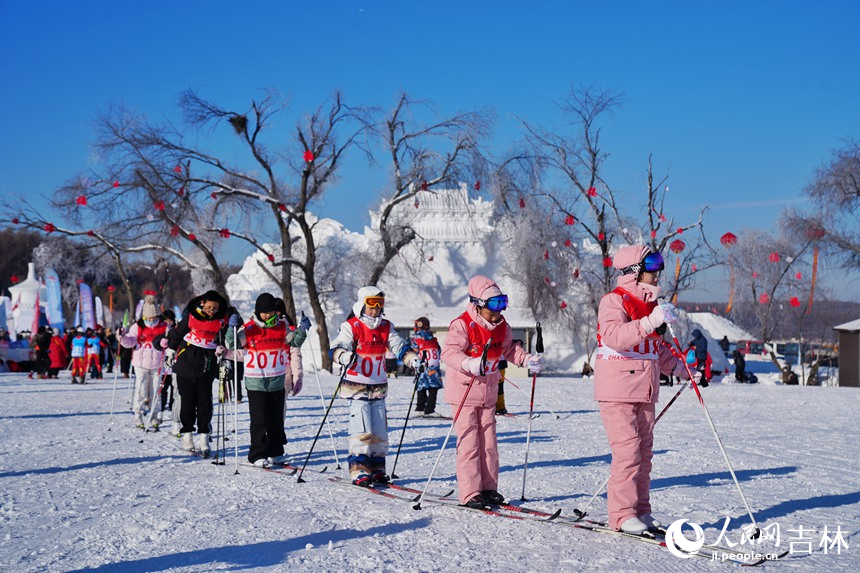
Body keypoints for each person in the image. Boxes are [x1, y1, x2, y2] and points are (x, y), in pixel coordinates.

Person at [594, 245, 695, 534]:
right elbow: (614, 336)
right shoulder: (613, 301)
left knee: (644, 453)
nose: (658, 271)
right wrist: (651, 321)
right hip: (617, 390)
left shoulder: (652, 306)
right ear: (633, 271)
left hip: (645, 389)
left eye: (658, 264)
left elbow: (655, 349)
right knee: (627, 453)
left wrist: (682, 369)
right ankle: (622, 514)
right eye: (651, 265)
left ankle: (640, 510)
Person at [441, 275, 544, 509]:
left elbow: (509, 350)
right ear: (478, 304)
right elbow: (449, 353)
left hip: (488, 394)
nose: (497, 313)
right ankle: (470, 493)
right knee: (469, 444)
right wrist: (470, 363)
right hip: (464, 393)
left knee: (489, 445)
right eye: (492, 307)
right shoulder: (462, 324)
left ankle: (488, 489)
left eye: (501, 305)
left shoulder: (502, 327)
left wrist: (527, 359)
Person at [329, 286, 421, 486]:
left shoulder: (386, 326)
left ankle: (378, 468)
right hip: (357, 385)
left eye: (380, 304)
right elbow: (337, 347)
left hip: (378, 386)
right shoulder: (351, 326)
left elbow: (398, 345)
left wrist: (411, 358)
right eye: (371, 303)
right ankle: (359, 469)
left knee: (379, 429)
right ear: (362, 304)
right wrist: (343, 356)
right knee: (362, 428)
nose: (376, 309)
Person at [227, 293, 310, 467]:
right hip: (256, 381)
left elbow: (293, 341)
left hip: (277, 379)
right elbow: (233, 344)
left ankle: (276, 451)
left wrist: (302, 331)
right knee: (259, 419)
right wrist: (231, 330)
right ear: (258, 312)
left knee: (276, 419)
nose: (268, 315)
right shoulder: (249, 328)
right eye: (264, 312)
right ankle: (257, 454)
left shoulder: (281, 326)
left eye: (271, 312)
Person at [166, 290, 228, 455]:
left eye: (215, 308)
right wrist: (171, 350)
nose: (211, 311)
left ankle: (203, 437)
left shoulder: (220, 321)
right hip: (187, 362)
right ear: (202, 303)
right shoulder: (192, 316)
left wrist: (224, 348)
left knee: (204, 402)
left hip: (206, 364)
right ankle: (187, 435)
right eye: (209, 307)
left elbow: (225, 340)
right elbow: (177, 334)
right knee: (187, 401)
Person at [120, 295, 168, 430]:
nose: (151, 320)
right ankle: (138, 415)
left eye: (153, 317)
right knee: (141, 391)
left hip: (158, 364)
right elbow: (130, 342)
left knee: (156, 391)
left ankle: (155, 416)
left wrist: (167, 343)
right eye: (148, 317)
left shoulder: (163, 326)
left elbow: (171, 340)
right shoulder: (138, 326)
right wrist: (122, 337)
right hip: (141, 364)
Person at [410, 317, 445, 417]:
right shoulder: (433, 339)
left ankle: (420, 407)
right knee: (433, 388)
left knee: (421, 386)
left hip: (422, 365)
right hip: (433, 366)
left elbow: (413, 352)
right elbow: (439, 351)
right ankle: (429, 409)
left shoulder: (415, 339)